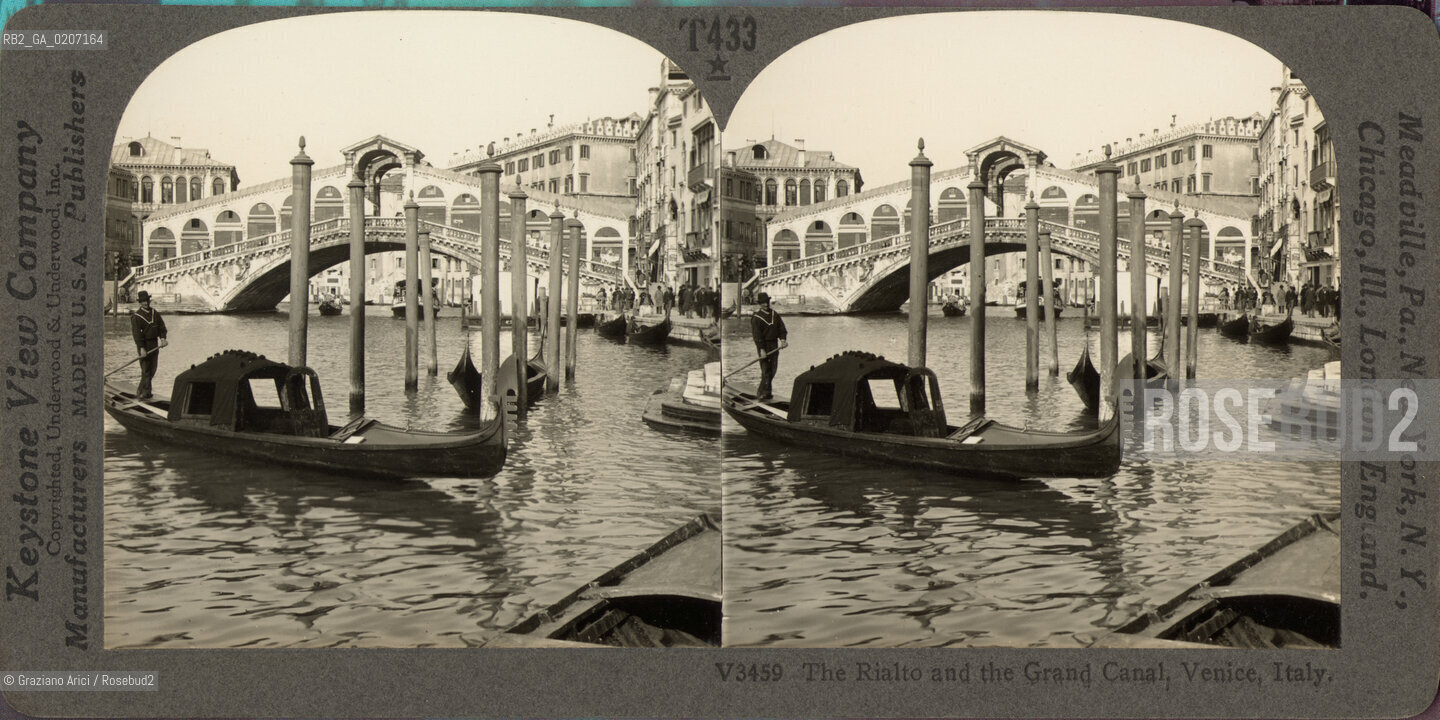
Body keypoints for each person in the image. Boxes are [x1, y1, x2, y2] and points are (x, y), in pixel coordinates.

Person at [130, 290, 168, 399]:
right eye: (143, 301)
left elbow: (161, 327)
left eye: (146, 300)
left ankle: (141, 391)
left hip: (154, 344)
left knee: (153, 370)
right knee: (146, 370)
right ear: (140, 302)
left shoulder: (154, 313)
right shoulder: (136, 316)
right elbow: (137, 334)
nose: (145, 303)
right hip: (143, 345)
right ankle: (145, 393)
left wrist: (163, 338)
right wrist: (142, 348)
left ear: (149, 300)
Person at [750, 292, 787, 401]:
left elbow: (781, 328)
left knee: (773, 370)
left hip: (774, 344)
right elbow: (757, 335)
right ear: (759, 304)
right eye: (763, 303)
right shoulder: (756, 318)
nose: (766, 304)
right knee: (766, 370)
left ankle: (767, 392)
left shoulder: (774, 314)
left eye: (767, 302)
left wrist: (783, 340)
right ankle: (762, 393)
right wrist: (761, 349)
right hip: (763, 345)